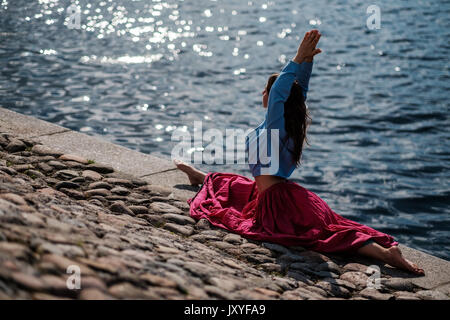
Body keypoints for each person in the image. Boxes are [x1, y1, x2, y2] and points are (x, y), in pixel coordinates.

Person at [174, 30, 424, 276]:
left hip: (278, 202)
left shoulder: (276, 126)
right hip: (281, 194)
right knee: (227, 182)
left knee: (327, 235)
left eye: (267, 91)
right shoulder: (284, 126)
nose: (264, 94)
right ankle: (200, 176)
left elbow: (283, 93)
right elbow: (298, 91)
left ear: (273, 99)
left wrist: (296, 58)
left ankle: (385, 254)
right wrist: (307, 62)